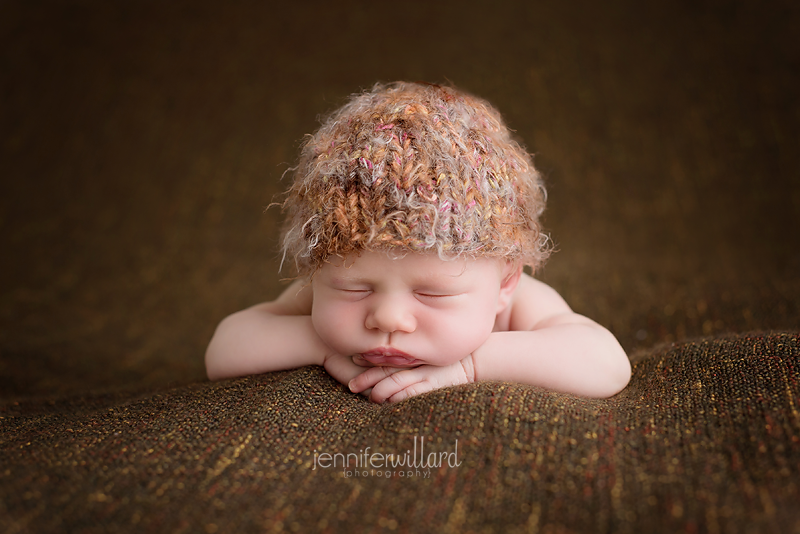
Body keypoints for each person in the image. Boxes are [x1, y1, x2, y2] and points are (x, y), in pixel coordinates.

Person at [205, 81, 631, 402]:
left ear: (504, 283)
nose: (387, 318)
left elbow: (605, 364)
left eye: (432, 293)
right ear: (317, 272)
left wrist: (471, 365)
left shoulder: (521, 303)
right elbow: (224, 351)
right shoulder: (318, 299)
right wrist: (320, 344)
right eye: (354, 289)